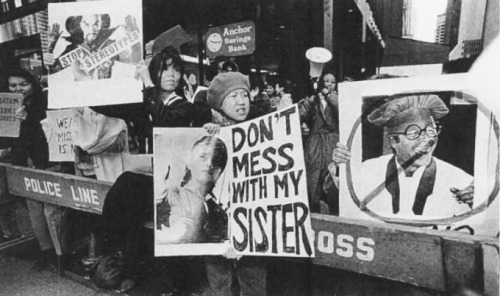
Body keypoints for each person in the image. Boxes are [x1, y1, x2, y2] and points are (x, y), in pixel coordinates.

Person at [332, 94, 474, 217]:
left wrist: (479, 202)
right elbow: (338, 201)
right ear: (393, 141)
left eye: (431, 131)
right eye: (414, 133)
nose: (427, 140)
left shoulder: (461, 181)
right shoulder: (368, 170)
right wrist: (341, 166)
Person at [202, 72, 267, 296]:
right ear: (219, 103)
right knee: (219, 285)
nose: (241, 102)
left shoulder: (264, 133)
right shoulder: (206, 134)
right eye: (233, 96)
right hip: (218, 227)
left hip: (255, 229)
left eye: (244, 95)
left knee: (254, 285)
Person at [5, 68, 68, 271]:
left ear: (33, 84)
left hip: (47, 162)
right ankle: (46, 252)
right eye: (13, 85)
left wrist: (27, 120)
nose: (18, 89)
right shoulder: (8, 106)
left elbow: (49, 135)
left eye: (23, 84)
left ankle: (61, 255)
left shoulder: (45, 103)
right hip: (26, 165)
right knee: (35, 213)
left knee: (53, 211)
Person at [156, 136, 228, 244]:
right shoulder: (173, 195)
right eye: (203, 157)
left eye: (216, 160)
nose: (209, 164)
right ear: (190, 161)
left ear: (220, 171)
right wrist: (170, 234)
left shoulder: (220, 213)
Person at [54, 13, 140, 81]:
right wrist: (50, 49)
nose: (91, 30)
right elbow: (51, 71)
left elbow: (134, 62)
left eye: (96, 24)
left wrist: (134, 41)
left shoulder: (110, 45)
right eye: (86, 25)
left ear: (101, 24)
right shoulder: (72, 49)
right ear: (80, 25)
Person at [299, 72, 339, 214]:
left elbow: (342, 110)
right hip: (314, 144)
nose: (329, 84)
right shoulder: (312, 100)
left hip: (333, 143)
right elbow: (299, 117)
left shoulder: (338, 99)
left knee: (333, 183)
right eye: (326, 81)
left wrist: (328, 95)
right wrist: (310, 98)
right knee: (312, 183)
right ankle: (313, 216)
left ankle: (335, 217)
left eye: (332, 82)